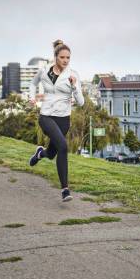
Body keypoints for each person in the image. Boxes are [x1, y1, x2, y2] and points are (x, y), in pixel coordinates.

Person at [28, 39, 84, 201]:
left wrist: (74, 87)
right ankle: (65, 190)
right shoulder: (44, 71)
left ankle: (40, 153)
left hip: (63, 120)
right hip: (46, 116)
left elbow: (81, 103)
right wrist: (32, 98)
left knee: (52, 153)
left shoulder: (73, 75)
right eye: (62, 57)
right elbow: (33, 84)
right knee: (63, 147)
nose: (65, 61)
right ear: (55, 57)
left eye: (68, 58)